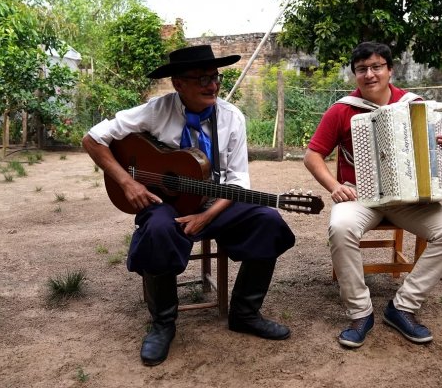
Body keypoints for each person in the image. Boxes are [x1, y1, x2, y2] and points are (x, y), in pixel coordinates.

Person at [82, 45, 296, 366]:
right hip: (165, 202)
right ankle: (162, 325)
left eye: (215, 77)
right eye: (201, 79)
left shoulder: (232, 118)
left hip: (214, 200)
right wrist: (128, 182)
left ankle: (245, 313)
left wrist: (206, 215)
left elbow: (237, 183)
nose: (212, 85)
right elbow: (92, 139)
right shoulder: (157, 111)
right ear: (178, 84)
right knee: (156, 229)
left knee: (268, 219)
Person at [303, 41, 442, 348]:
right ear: (355, 74)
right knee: (340, 227)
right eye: (362, 69)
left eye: (377, 67)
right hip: (360, 197)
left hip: (411, 198)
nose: (369, 74)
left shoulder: (418, 105)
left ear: (390, 70)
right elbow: (312, 156)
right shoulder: (341, 110)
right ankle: (360, 313)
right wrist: (334, 186)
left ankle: (402, 307)